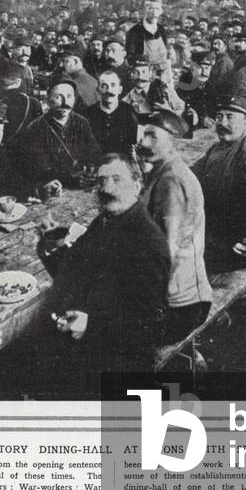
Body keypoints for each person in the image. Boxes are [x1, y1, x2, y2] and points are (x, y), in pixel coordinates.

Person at [45, 153, 171, 391]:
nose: (107, 188)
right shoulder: (107, 220)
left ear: (137, 185)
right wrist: (54, 245)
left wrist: (90, 325)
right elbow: (75, 269)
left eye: (116, 179)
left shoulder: (147, 242)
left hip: (118, 362)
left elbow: (151, 325)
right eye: (101, 181)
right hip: (88, 340)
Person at [135, 110, 212, 348]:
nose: (142, 142)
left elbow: (166, 251)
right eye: (142, 135)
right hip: (184, 297)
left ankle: (162, 379)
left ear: (172, 143)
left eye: (151, 136)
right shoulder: (165, 171)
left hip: (179, 308)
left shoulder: (171, 181)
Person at [191, 95, 246, 272]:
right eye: (219, 116)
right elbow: (193, 175)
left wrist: (229, 237)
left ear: (245, 123)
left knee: (187, 261)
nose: (222, 122)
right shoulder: (219, 147)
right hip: (225, 231)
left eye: (230, 117)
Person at [12, 78, 101, 194]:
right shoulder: (36, 128)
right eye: (58, 97)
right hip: (55, 190)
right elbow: (40, 169)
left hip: (83, 187)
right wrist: (70, 178)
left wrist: (91, 172)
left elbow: (94, 152)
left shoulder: (81, 122)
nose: (65, 102)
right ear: (48, 100)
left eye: (69, 96)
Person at [84, 70, 138, 154]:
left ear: (120, 89)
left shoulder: (129, 112)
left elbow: (133, 144)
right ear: (98, 89)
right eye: (104, 86)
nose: (109, 90)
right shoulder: (88, 113)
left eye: (113, 85)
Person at [125, 0, 172, 69]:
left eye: (157, 9)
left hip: (163, 72)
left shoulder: (161, 30)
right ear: (144, 11)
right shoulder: (134, 32)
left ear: (160, 11)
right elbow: (130, 59)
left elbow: (166, 53)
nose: (154, 12)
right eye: (150, 8)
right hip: (143, 73)